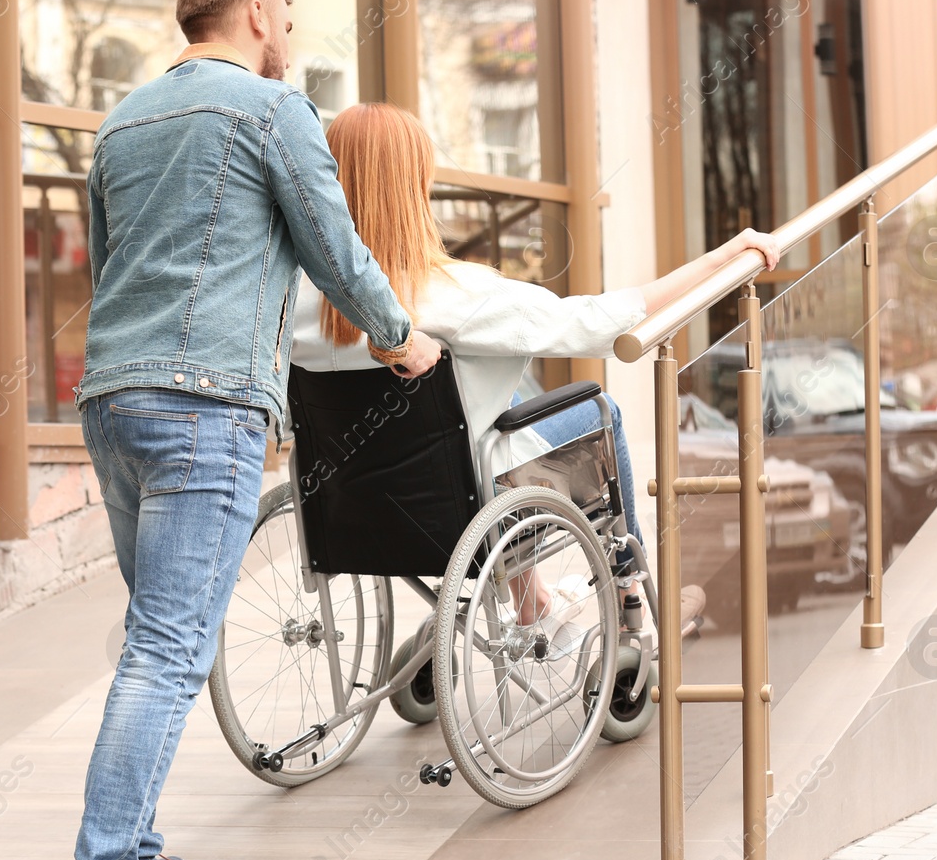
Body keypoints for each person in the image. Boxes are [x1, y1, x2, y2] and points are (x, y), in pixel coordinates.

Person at [62, 0, 441, 860]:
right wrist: (401, 337)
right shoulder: (274, 112)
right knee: (169, 648)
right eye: (287, 17)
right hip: (205, 403)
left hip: (113, 401)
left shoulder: (120, 122)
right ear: (258, 12)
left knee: (157, 636)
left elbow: (109, 271)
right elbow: (334, 243)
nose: (289, 34)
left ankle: (133, 850)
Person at [290, 102, 782, 627]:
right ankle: (629, 595)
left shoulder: (294, 303)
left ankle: (533, 602)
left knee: (507, 401)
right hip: (464, 507)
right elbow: (600, 321)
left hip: (352, 516)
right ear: (413, 188)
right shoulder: (457, 295)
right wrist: (721, 258)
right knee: (601, 409)